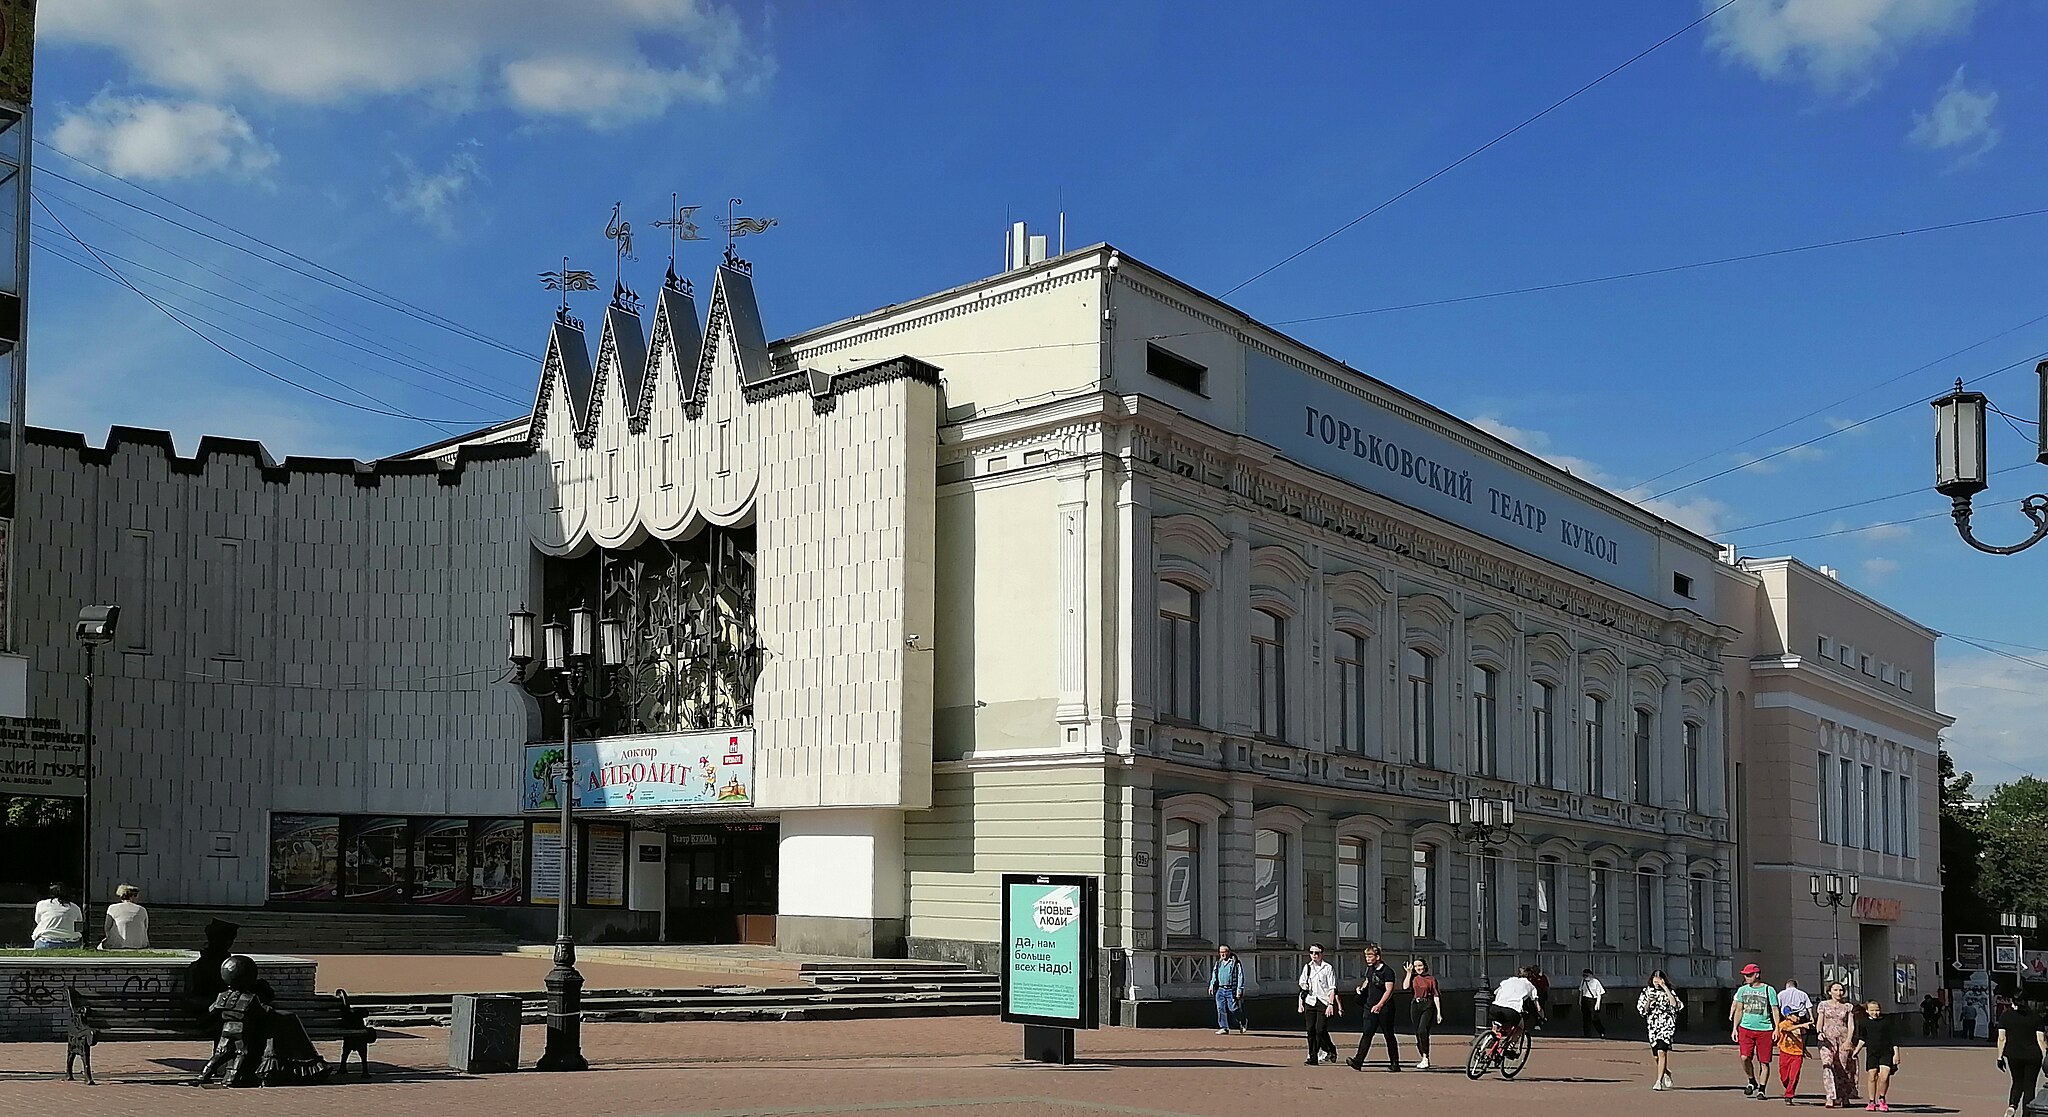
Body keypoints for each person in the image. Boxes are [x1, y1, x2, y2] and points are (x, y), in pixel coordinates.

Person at [1346, 942, 1402, 1071]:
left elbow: (1389, 990)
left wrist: (1380, 1004)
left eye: (1370, 956)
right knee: (1367, 1033)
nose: (1367, 959)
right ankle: (1358, 1061)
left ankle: (1395, 1063)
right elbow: (1367, 980)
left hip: (1385, 1008)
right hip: (1369, 1006)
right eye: (1366, 957)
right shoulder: (1370, 969)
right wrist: (1361, 989)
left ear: (1377, 957)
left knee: (1388, 1035)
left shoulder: (1387, 971)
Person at [1733, 962, 1782, 1099]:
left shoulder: (1769, 990)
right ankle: (1751, 1080)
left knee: (1764, 1061)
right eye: (1745, 975)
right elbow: (1739, 1009)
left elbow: (1775, 1010)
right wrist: (1735, 1028)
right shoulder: (1742, 990)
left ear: (1757, 975)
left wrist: (1776, 1028)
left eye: (1749, 975)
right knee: (1744, 1057)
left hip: (1765, 1029)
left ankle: (1762, 1089)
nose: (1746, 978)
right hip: (1746, 1028)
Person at [1814, 981, 1862, 1109]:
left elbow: (1851, 1025)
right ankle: (1830, 1096)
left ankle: (1844, 1096)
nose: (1838, 993)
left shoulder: (1847, 1007)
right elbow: (1820, 1021)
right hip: (1827, 1040)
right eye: (1835, 990)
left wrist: (1849, 1040)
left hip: (1843, 1038)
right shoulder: (1823, 1005)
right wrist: (1819, 1032)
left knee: (1843, 1068)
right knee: (1827, 1066)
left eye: (1841, 990)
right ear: (1829, 992)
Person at [1996, 996, 2046, 1117]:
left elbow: (2002, 1038)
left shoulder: (2006, 1016)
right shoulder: (2036, 1017)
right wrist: (2045, 1055)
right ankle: (2026, 1114)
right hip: (2033, 1055)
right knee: (2030, 1086)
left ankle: (2012, 1106)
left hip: (2013, 1054)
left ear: (2013, 1001)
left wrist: (2000, 1057)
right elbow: (2041, 1039)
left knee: (2017, 1082)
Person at [1637, 968, 1683, 1091]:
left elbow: (1675, 1005)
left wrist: (1666, 988)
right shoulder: (1646, 992)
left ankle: (1659, 1081)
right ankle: (1667, 1072)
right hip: (1653, 1027)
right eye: (1655, 979)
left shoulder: (1670, 991)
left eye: (1659, 979)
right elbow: (1642, 1011)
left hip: (1666, 1026)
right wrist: (1649, 1001)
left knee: (1662, 1052)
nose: (1657, 982)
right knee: (1656, 1056)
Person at [1852, 1000, 1899, 1112]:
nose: (1875, 1012)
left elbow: (1894, 1039)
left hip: (1886, 1052)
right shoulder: (1863, 1023)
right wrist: (1856, 1051)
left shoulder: (1886, 1022)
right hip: (1872, 1053)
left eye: (1877, 1010)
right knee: (1872, 1076)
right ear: (1867, 1011)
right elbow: (1862, 1039)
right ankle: (1871, 1101)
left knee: (1884, 1076)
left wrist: (1896, 1054)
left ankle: (1882, 1099)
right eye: (1872, 1010)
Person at [1489, 966, 1546, 1057]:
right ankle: (1509, 1049)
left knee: (1496, 1024)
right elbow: (1538, 1007)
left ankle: (1487, 1044)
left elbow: (1496, 992)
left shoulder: (1509, 980)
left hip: (1495, 1007)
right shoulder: (1531, 986)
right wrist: (1542, 1017)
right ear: (1530, 977)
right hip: (1512, 1010)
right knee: (1520, 1028)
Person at [1298, 944, 1340, 1066]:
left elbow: (1332, 988)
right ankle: (1312, 1056)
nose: (1314, 955)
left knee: (1320, 1029)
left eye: (1317, 953)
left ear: (1322, 954)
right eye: (1312, 952)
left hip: (1323, 1002)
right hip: (1310, 1001)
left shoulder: (1328, 968)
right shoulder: (1307, 967)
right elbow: (1302, 982)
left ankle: (1330, 1049)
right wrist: (1304, 986)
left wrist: (1331, 1004)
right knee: (1310, 1030)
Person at [1405, 958, 1443, 1070]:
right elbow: (1405, 987)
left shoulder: (1431, 979)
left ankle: (1426, 1056)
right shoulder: (1413, 978)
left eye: (1420, 966)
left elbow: (1436, 995)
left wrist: (1439, 1013)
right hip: (1415, 1005)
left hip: (1428, 1005)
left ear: (1425, 966)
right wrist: (1408, 973)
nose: (1418, 968)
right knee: (1417, 1033)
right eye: (1416, 966)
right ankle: (1423, 1056)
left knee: (1423, 1030)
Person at [31, 882, 84, 949]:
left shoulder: (41, 904)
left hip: (46, 941)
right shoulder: (75, 908)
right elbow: (79, 927)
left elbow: (38, 921)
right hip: (71, 942)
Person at [1776, 1005, 1811, 1103]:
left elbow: (1801, 1039)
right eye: (1795, 1015)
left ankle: (1789, 1095)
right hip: (1785, 1052)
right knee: (1784, 1077)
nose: (1798, 1017)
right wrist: (1801, 1026)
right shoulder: (1783, 1024)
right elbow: (1786, 1030)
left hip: (1797, 1054)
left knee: (1794, 1075)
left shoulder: (1800, 1026)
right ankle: (1788, 1087)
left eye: (1798, 1015)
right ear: (1788, 1016)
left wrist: (1805, 1050)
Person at [1210, 944, 1246, 1035]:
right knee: (1220, 1008)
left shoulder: (1235, 963)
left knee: (1233, 1008)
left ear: (1228, 952)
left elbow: (1240, 976)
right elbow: (1214, 975)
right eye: (1221, 952)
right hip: (1220, 989)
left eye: (1224, 952)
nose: (1222, 954)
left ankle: (1242, 1020)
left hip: (1231, 989)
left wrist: (1239, 989)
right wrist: (1211, 985)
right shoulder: (1218, 963)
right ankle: (1224, 1027)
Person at [102, 884, 150, 949]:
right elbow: (145, 927)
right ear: (132, 896)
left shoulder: (112, 908)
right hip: (139, 943)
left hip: (117, 943)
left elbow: (107, 927)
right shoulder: (142, 910)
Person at [1580, 969, 1608, 1038]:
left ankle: (1601, 1031)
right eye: (1584, 975)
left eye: (1586, 975)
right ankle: (1587, 1034)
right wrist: (1580, 1001)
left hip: (1592, 1000)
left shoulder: (1595, 982)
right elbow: (1581, 991)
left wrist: (1597, 1004)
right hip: (1585, 1000)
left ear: (1591, 975)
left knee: (1594, 1018)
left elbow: (1599, 994)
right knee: (1585, 1018)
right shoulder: (1583, 981)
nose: (1585, 977)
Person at [1530, 965, 1552, 1032]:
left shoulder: (1542, 977)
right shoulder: (1531, 978)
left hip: (1541, 995)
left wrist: (1545, 994)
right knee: (1534, 1009)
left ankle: (1539, 1022)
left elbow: (1546, 986)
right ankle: (1540, 1019)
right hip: (1533, 996)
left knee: (1540, 1008)